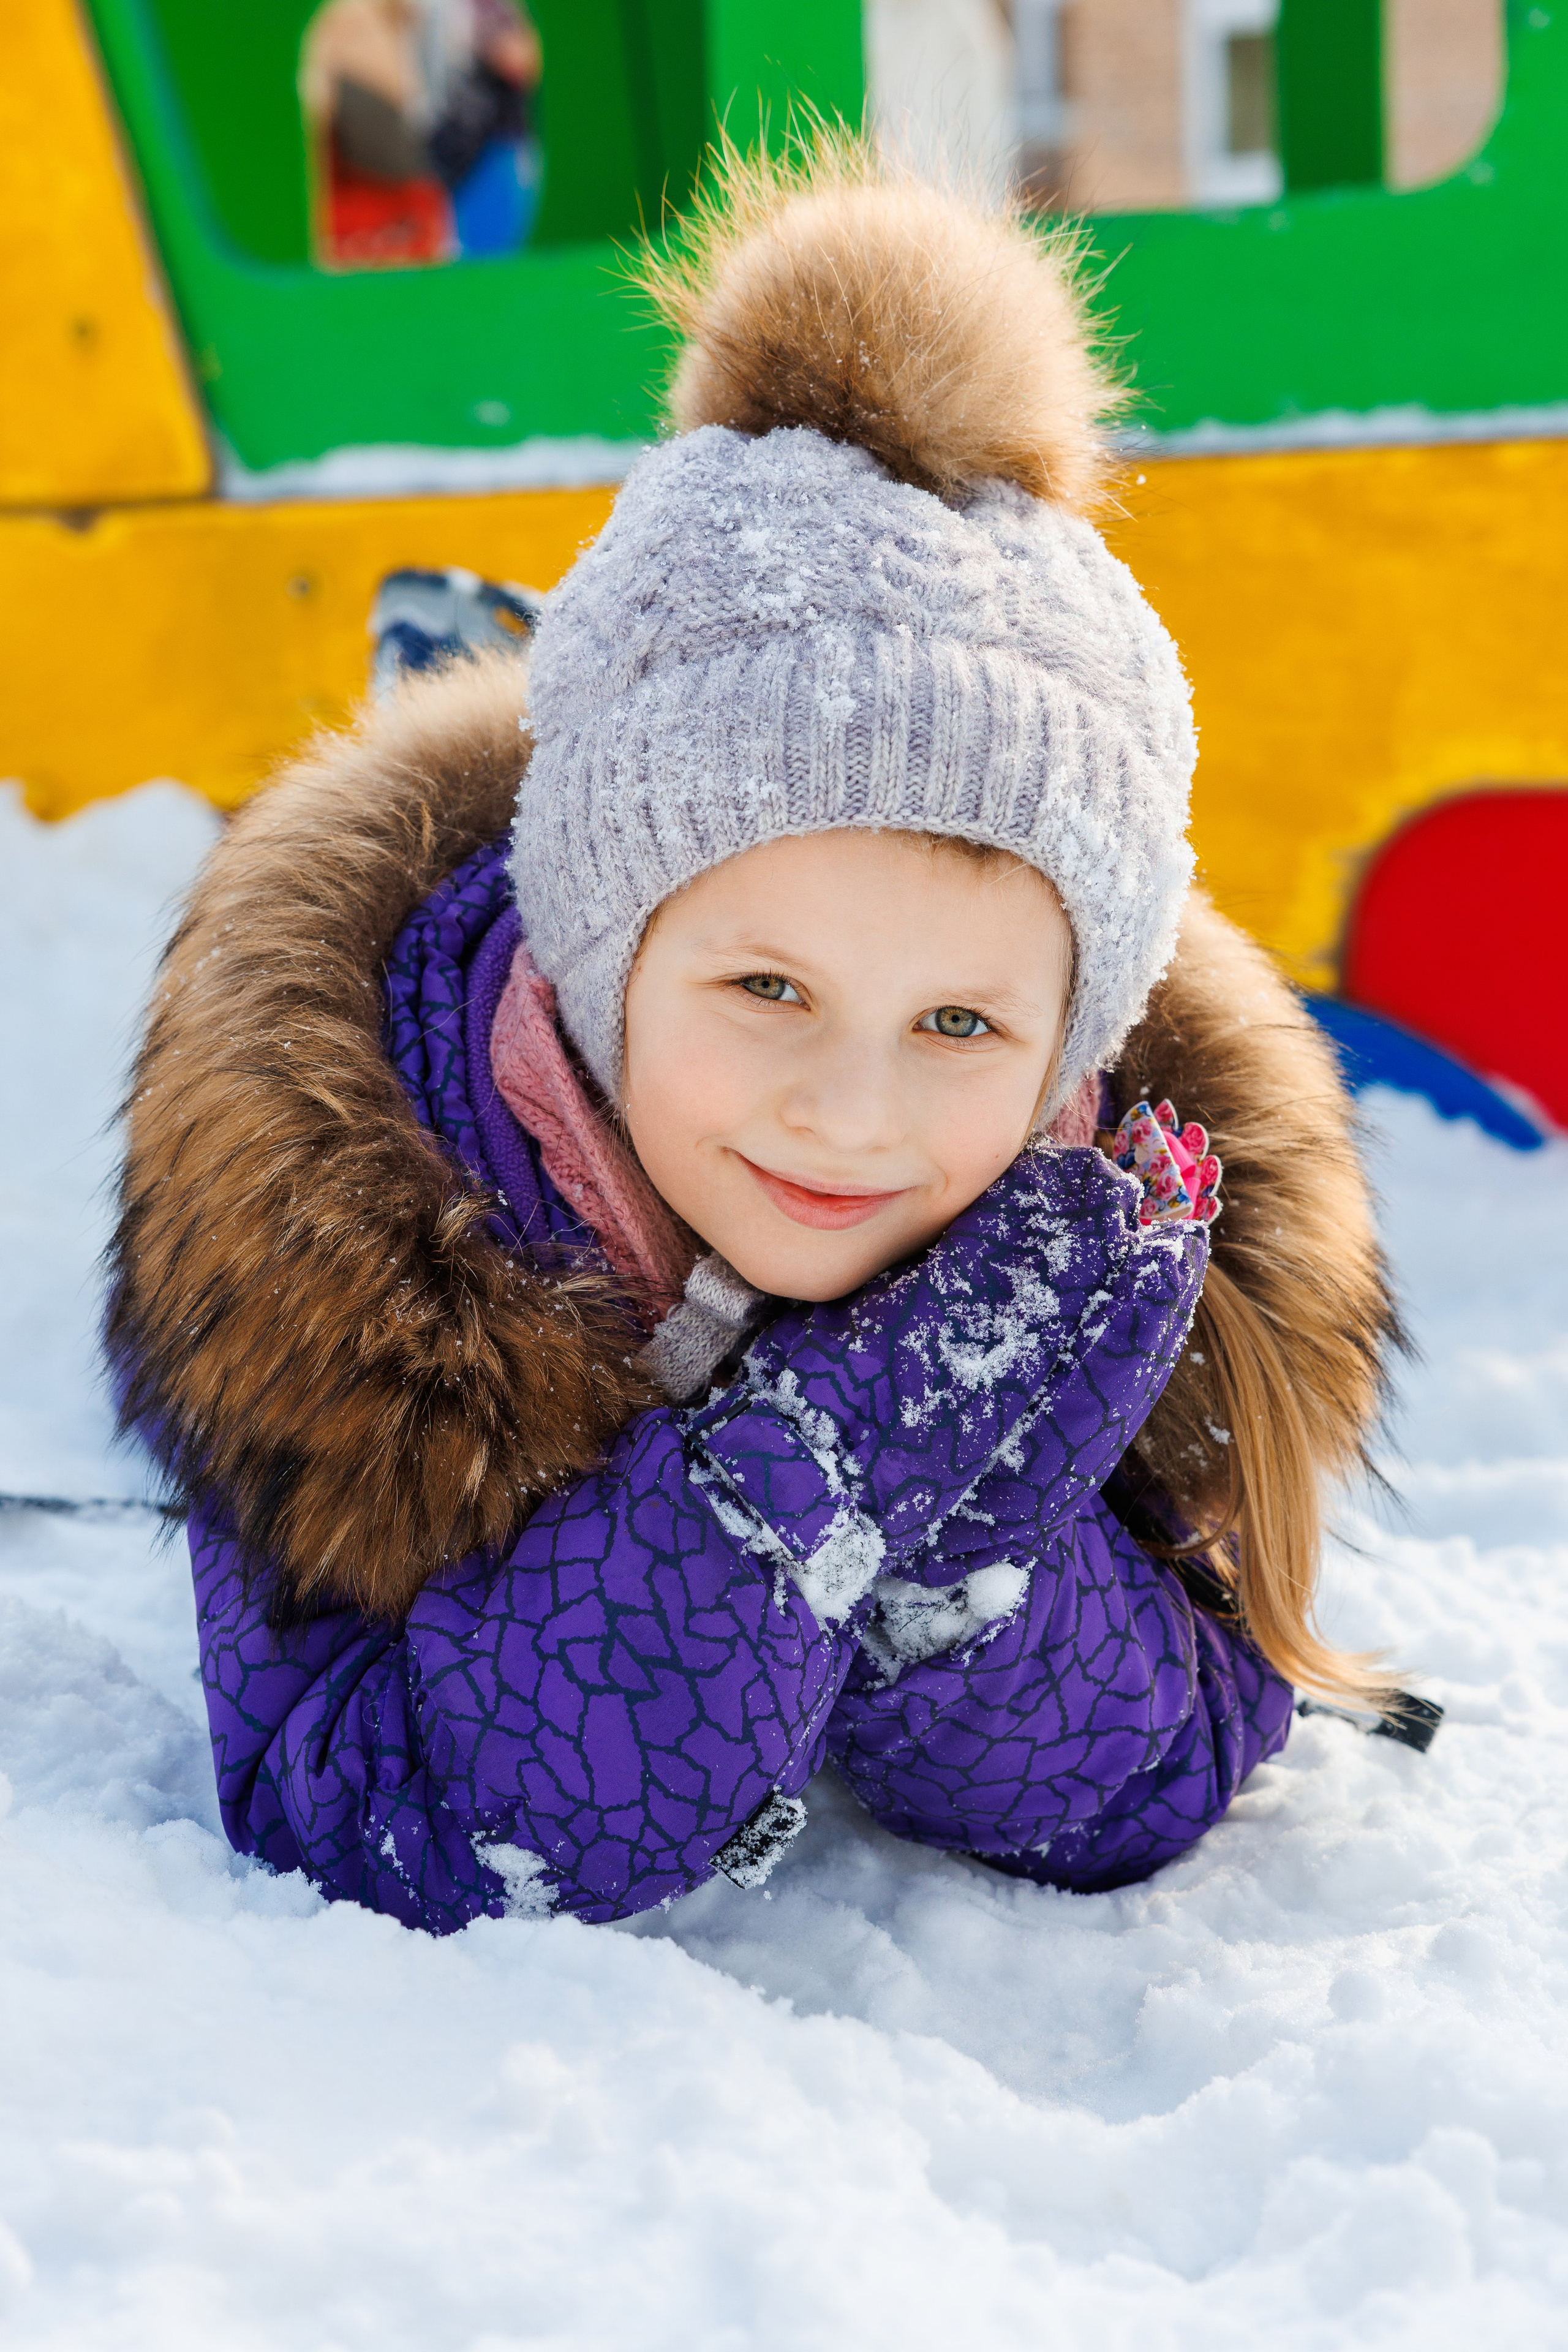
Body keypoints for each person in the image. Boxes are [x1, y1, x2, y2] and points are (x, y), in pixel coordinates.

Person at [107, 147, 1404, 1932]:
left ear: (1070, 1039)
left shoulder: (1114, 1222)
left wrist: (967, 1550)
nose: (852, 1114)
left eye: (960, 1021)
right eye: (768, 990)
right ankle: (466, 648)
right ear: (599, 964)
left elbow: (1150, 1774)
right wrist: (807, 1466)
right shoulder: (359, 1218)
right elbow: (377, 1801)